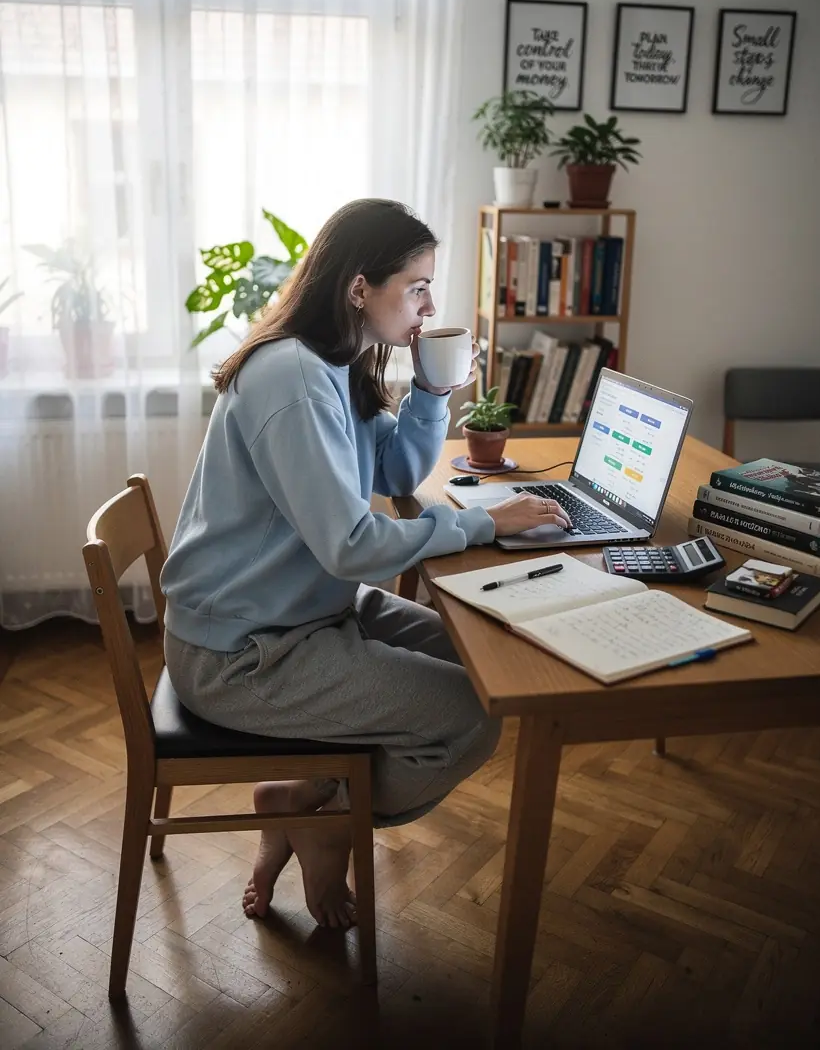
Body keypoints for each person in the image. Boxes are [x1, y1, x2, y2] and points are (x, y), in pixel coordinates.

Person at [160, 199, 570, 930]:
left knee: (486, 660)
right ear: (359, 287)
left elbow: (399, 473)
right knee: (472, 715)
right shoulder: (290, 375)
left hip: (306, 614)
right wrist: (479, 523)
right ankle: (329, 820)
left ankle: (301, 796)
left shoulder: (333, 361)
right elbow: (349, 544)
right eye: (416, 286)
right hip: (243, 653)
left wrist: (435, 390)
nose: (430, 305)